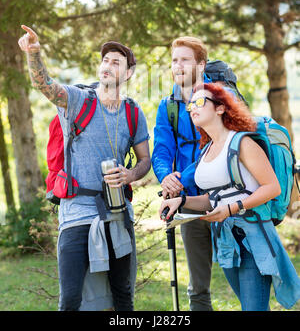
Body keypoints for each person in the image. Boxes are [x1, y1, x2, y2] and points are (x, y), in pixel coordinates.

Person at [18, 24, 151, 311]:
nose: (107, 65)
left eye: (116, 62)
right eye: (105, 60)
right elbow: (45, 85)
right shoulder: (77, 99)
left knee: (122, 295)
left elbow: (145, 161)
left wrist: (130, 175)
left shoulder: (133, 112)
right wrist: (33, 54)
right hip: (76, 214)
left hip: (116, 213)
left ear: (127, 74)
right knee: (70, 300)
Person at [159, 83, 300, 311]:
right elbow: (213, 199)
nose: (192, 107)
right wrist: (182, 202)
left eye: (200, 102)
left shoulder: (242, 143)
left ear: (220, 108)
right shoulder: (206, 150)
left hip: (252, 238)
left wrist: (231, 209)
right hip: (226, 242)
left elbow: (271, 187)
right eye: (190, 104)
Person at [152, 36, 213, 311]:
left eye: (185, 59)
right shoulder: (168, 106)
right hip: (187, 203)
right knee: (198, 287)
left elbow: (214, 149)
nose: (178, 65)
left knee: (242, 273)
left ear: (201, 65)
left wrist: (181, 179)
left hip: (225, 197)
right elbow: (161, 149)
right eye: (175, 60)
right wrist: (166, 176)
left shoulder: (218, 99)